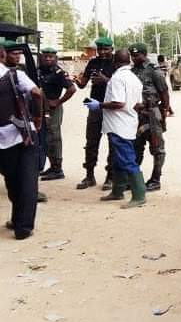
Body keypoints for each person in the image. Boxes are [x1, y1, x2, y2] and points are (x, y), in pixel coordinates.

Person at [84, 49, 145, 209]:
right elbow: (138, 104)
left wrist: (99, 105)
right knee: (118, 160)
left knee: (126, 160)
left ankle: (139, 195)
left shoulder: (117, 78)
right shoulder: (134, 79)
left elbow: (119, 103)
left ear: (114, 62)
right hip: (128, 123)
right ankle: (117, 191)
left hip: (118, 125)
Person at [0, 41, 43, 239]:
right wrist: (38, 117)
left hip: (6, 139)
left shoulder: (15, 73)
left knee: (13, 180)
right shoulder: (15, 75)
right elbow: (36, 93)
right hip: (24, 133)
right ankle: (23, 226)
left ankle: (19, 220)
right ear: (2, 54)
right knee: (27, 180)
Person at [74, 37, 115, 190]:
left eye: (106, 49)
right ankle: (89, 175)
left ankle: (110, 177)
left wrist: (106, 80)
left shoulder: (116, 63)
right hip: (95, 106)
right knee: (91, 141)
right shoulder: (93, 63)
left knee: (113, 142)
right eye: (100, 49)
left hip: (111, 108)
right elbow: (83, 82)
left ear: (112, 49)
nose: (103, 52)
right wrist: (78, 81)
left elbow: (121, 83)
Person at [129, 43, 170, 192]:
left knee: (157, 148)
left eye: (137, 55)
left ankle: (155, 179)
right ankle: (134, 179)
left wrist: (164, 113)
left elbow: (164, 93)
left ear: (144, 54)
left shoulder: (154, 71)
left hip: (152, 113)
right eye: (132, 55)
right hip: (136, 115)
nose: (134, 58)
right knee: (136, 147)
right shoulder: (131, 72)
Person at [38, 47, 76, 181]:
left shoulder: (59, 73)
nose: (48, 59)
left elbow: (72, 89)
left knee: (54, 137)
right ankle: (52, 166)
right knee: (43, 137)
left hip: (53, 109)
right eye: (45, 56)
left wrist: (58, 102)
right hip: (39, 108)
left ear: (56, 58)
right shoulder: (38, 70)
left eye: (51, 57)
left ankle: (58, 169)